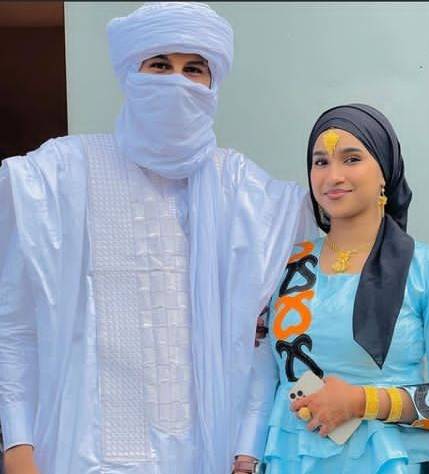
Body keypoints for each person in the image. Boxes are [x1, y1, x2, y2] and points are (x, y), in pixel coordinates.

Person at [0, 3, 314, 474]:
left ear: (213, 84)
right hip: (82, 452)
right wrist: (17, 444)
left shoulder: (246, 192)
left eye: (194, 69)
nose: (177, 83)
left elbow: (268, 338)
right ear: (131, 73)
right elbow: (15, 323)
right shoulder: (59, 174)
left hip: (212, 452)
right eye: (160, 66)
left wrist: (247, 447)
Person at [259, 104, 429, 473]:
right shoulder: (284, 267)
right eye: (320, 161)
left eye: (351, 159)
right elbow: (259, 376)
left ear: (384, 172)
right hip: (291, 459)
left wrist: (362, 401)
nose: (333, 175)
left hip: (389, 461)